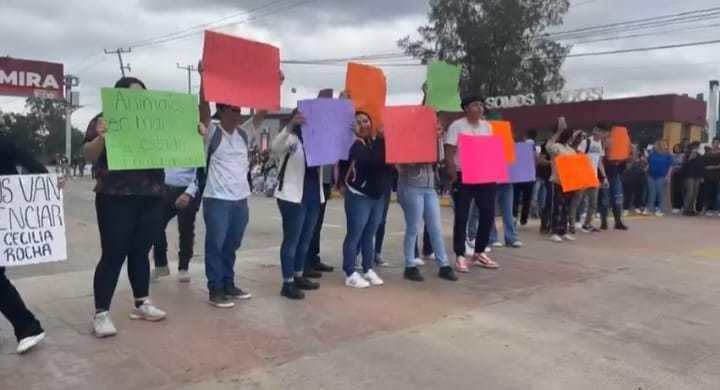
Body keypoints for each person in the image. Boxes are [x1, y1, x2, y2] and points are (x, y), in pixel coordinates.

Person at [83, 77, 167, 338]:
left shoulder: (154, 120)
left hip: (150, 196)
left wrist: (194, 133)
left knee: (141, 251)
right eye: (133, 96)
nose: (139, 100)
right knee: (113, 253)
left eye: (143, 95)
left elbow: (177, 145)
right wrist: (103, 138)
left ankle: (142, 302)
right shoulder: (102, 119)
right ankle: (101, 314)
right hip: (115, 196)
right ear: (118, 97)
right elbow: (88, 153)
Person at [193, 66, 269, 308]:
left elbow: (261, 113)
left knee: (232, 243)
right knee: (215, 243)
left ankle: (228, 281)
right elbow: (203, 110)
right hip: (216, 199)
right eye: (234, 110)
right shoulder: (212, 133)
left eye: (240, 110)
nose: (239, 114)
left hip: (240, 200)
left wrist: (270, 84)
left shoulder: (243, 135)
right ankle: (215, 288)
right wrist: (204, 78)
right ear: (223, 110)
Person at [0, 136, 49, 354]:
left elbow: (35, 168)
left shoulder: (4, 144)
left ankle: (27, 327)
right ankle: (27, 327)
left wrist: (48, 185)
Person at [272, 109, 325, 300]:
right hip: (291, 196)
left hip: (312, 195)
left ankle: (298, 275)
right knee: (292, 241)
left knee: (305, 239)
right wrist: (290, 126)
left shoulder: (318, 141)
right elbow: (275, 147)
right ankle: (287, 283)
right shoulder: (291, 139)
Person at [396, 121, 458, 282]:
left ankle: (443, 265)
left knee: (435, 227)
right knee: (413, 227)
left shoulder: (436, 141)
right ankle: (410, 265)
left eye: (439, 128)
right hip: (411, 186)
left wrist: (437, 141)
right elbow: (407, 163)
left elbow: (440, 159)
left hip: (429, 188)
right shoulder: (409, 140)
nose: (438, 130)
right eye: (435, 127)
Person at [444, 96, 499, 272]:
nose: (480, 108)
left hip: (484, 175)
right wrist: (451, 170)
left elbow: (490, 151)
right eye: (476, 105)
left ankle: (479, 251)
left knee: (488, 214)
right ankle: (460, 255)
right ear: (466, 108)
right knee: (462, 215)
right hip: (463, 174)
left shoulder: (487, 126)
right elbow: (449, 150)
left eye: (481, 105)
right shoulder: (457, 126)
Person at [341, 111, 390, 288]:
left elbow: (385, 165)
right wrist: (381, 140)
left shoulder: (374, 142)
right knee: (355, 234)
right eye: (359, 122)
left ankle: (367, 268)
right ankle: (349, 272)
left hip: (377, 196)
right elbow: (371, 163)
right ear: (353, 127)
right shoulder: (356, 145)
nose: (364, 125)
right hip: (359, 196)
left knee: (369, 234)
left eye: (366, 121)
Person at [150, 167, 201, 283]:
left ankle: (184, 267)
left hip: (187, 188)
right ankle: (161, 264)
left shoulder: (196, 148)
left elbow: (200, 172)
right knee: (156, 225)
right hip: (165, 187)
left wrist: (189, 193)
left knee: (186, 229)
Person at [545, 118, 577, 243]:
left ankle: (563, 230)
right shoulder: (557, 147)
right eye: (571, 135)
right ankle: (554, 231)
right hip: (558, 181)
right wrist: (559, 131)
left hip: (569, 183)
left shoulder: (571, 150)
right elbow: (549, 146)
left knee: (566, 208)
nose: (572, 138)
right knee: (557, 206)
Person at [576, 123, 609, 232]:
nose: (602, 134)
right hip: (584, 176)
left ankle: (587, 223)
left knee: (593, 203)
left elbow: (600, 162)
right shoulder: (586, 142)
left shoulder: (601, 144)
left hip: (594, 177)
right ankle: (570, 222)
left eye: (604, 132)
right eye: (601, 131)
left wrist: (604, 177)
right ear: (595, 130)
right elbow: (579, 157)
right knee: (577, 200)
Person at [644, 140, 673, 216]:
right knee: (651, 193)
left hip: (662, 176)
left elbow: (670, 166)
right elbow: (648, 163)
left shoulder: (668, 155)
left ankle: (661, 209)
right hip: (651, 175)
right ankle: (649, 208)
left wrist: (668, 176)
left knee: (661, 193)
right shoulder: (652, 154)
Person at [681, 143, 704, 216]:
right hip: (689, 175)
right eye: (696, 146)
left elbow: (701, 166)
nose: (697, 148)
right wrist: (690, 158)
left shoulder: (699, 155)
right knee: (690, 192)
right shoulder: (687, 154)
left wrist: (701, 176)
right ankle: (686, 209)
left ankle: (691, 209)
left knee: (695, 193)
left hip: (697, 176)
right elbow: (684, 165)